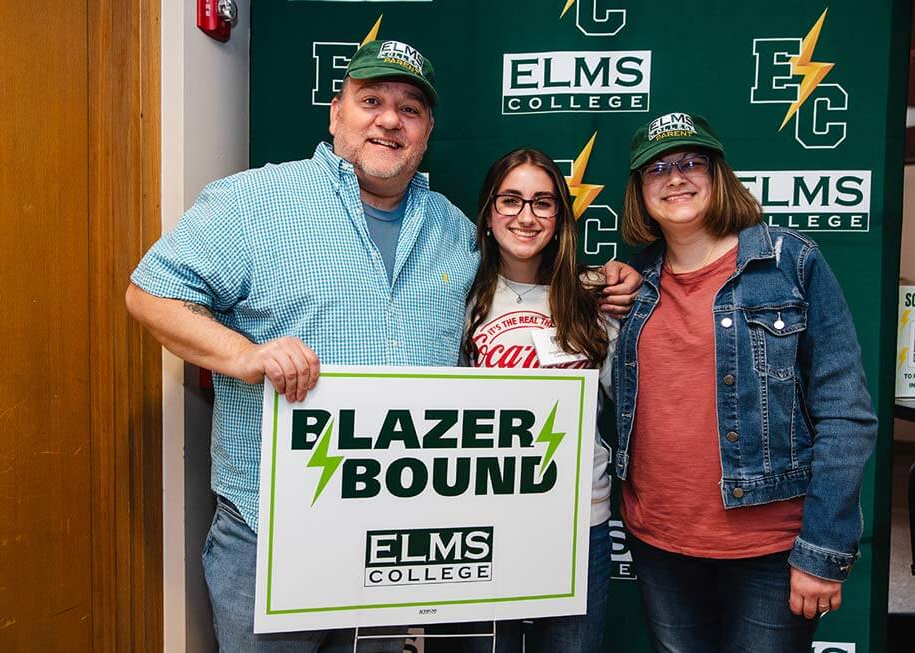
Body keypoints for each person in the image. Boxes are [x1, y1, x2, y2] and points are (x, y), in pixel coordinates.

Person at [126, 39, 640, 652]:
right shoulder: (253, 204)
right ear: (336, 112)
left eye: (410, 109)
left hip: (395, 544)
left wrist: (605, 282)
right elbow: (150, 296)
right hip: (272, 537)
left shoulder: (455, 230)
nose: (390, 120)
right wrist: (244, 355)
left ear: (426, 133)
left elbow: (526, 282)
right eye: (371, 100)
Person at [612, 111, 877, 652]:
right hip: (659, 543)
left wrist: (823, 549)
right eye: (656, 169)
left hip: (770, 549)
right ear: (639, 192)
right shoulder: (632, 284)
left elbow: (845, 411)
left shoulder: (789, 263)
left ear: (719, 176)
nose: (676, 177)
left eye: (692, 162)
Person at [457, 148, 618, 653]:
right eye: (511, 200)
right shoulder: (456, 296)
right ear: (487, 214)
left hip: (577, 522)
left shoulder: (595, 298)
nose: (526, 217)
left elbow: (632, 403)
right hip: (483, 520)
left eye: (543, 203)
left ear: (560, 219)